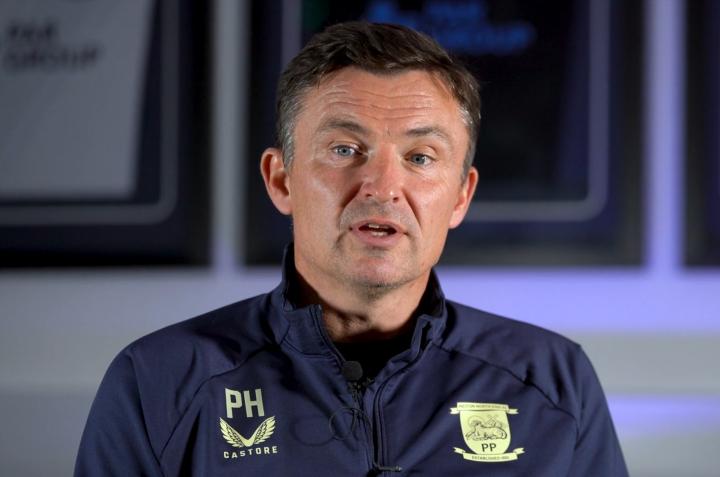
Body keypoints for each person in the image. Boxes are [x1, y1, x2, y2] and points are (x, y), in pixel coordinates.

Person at [75, 22, 628, 476]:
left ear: (461, 196)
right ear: (281, 180)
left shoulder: (553, 382)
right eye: (345, 149)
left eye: (420, 157)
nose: (382, 187)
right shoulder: (159, 382)